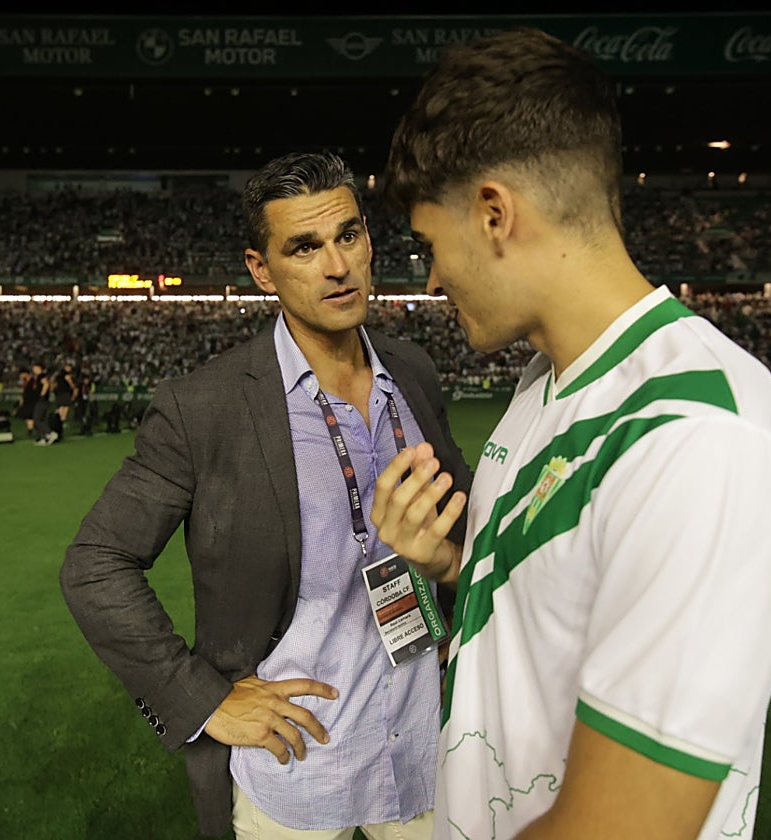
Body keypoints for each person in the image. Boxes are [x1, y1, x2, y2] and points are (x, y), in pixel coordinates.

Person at [369, 28, 771, 840]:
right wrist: (451, 565)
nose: (431, 277)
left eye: (431, 244)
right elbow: (552, 604)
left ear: (494, 213)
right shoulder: (544, 381)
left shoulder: (703, 434)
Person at [61, 151, 472, 839]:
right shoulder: (205, 407)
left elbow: (467, 523)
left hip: (425, 748)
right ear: (262, 269)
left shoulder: (413, 372)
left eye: (348, 235)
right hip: (297, 765)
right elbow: (95, 564)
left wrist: (451, 612)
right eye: (305, 248)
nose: (337, 265)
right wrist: (202, 699)